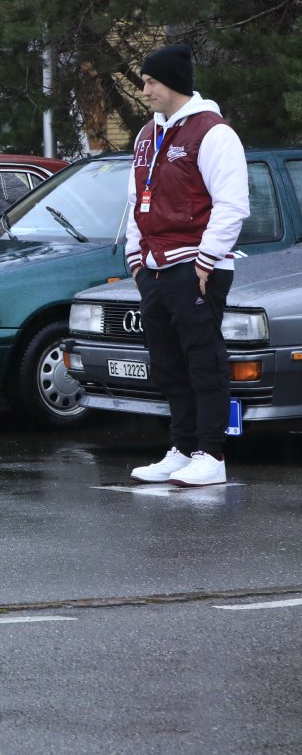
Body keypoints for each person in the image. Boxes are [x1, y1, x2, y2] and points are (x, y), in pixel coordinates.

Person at [126, 43, 250, 487]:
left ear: (174, 83)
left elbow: (232, 205)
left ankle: (210, 454)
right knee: (167, 364)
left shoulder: (213, 133)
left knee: (204, 362)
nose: (145, 91)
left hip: (195, 267)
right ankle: (181, 448)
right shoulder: (146, 135)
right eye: (144, 82)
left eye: (151, 82)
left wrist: (206, 261)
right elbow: (135, 201)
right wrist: (135, 259)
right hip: (154, 267)